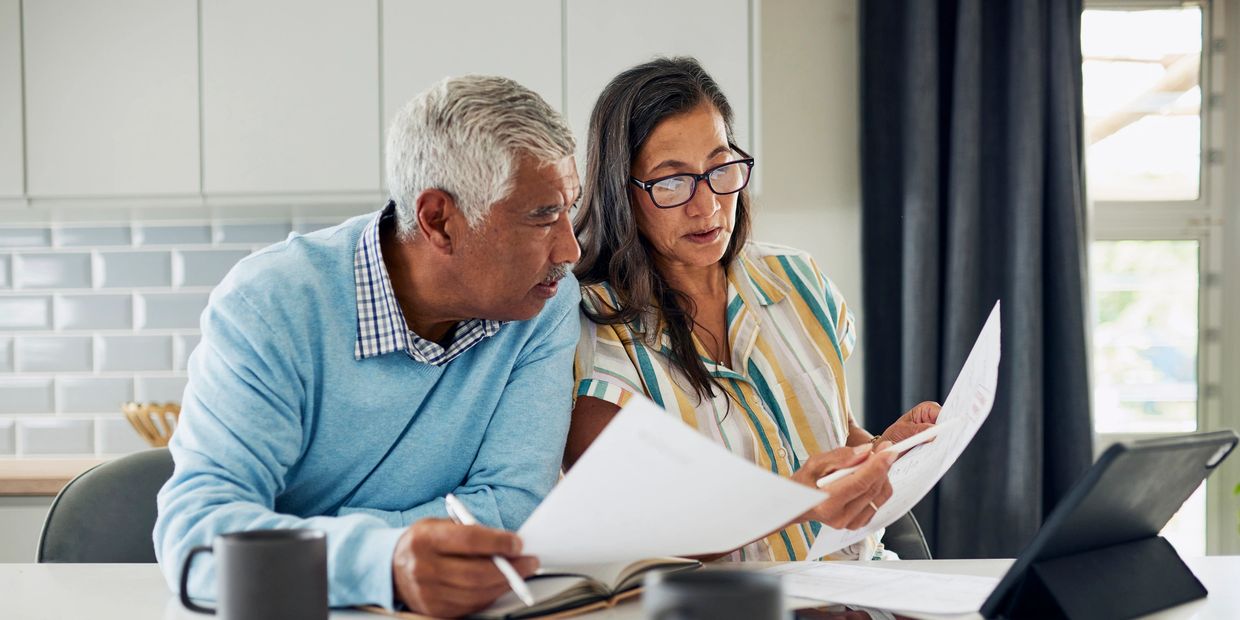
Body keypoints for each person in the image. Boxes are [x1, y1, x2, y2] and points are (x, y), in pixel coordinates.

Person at [155, 75, 582, 618]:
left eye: (570, 208)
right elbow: (199, 538)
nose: (569, 247)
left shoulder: (545, 301)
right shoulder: (271, 304)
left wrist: (317, 546)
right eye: (543, 216)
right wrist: (384, 562)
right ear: (439, 221)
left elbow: (511, 511)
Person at [567, 57, 941, 562]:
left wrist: (882, 451)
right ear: (622, 192)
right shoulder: (588, 334)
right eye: (671, 183)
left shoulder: (798, 279)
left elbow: (835, 430)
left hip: (859, 589)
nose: (707, 207)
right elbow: (634, 529)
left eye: (720, 168)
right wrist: (795, 503)